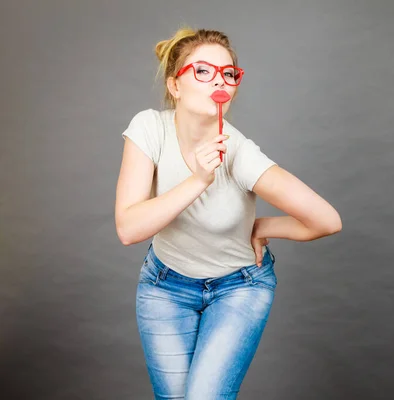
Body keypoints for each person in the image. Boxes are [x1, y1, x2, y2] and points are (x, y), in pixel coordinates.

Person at [114, 27, 342, 400]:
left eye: (228, 73)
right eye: (202, 71)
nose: (219, 80)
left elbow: (328, 220)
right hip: (164, 287)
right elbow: (128, 228)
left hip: (239, 288)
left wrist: (259, 226)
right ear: (175, 86)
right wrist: (199, 179)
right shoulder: (149, 128)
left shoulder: (240, 153)